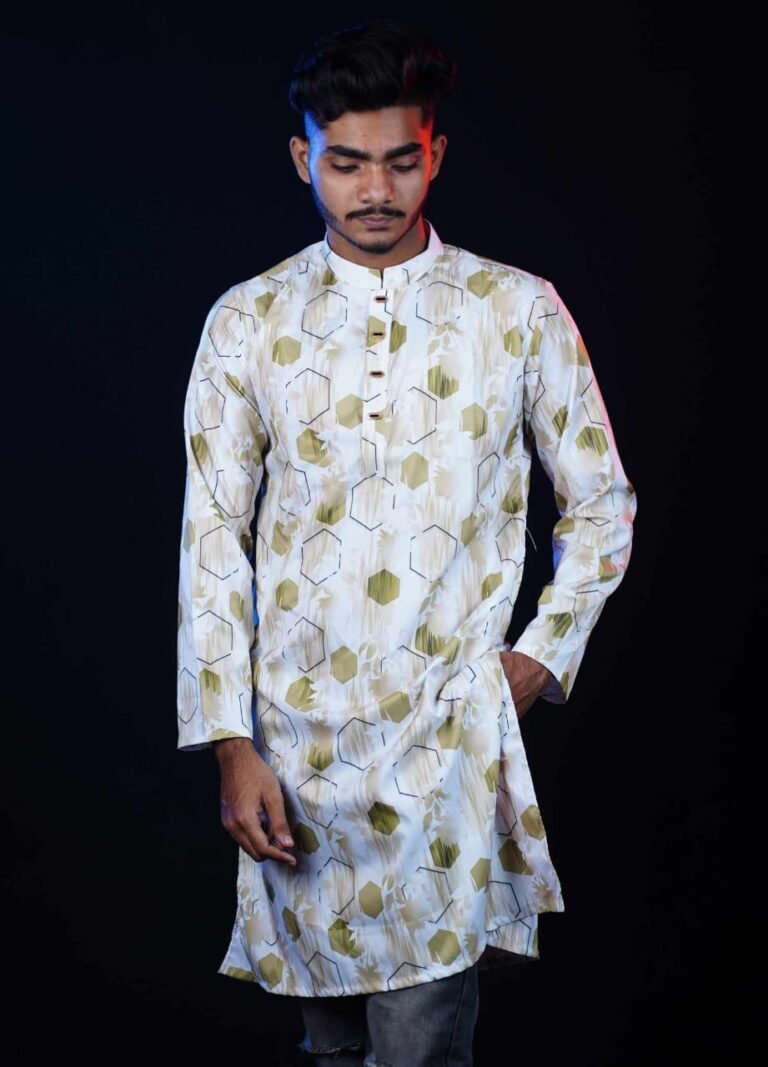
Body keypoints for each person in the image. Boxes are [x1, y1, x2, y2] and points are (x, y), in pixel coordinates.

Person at [176, 18, 638, 1067]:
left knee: (421, 1041)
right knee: (331, 1040)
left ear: (437, 154)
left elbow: (602, 503)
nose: (376, 190)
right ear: (304, 160)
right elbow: (212, 537)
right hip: (296, 750)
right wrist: (231, 743)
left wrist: (539, 656)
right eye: (346, 163)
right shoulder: (249, 320)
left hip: (444, 746)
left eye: (400, 160)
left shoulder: (515, 310)